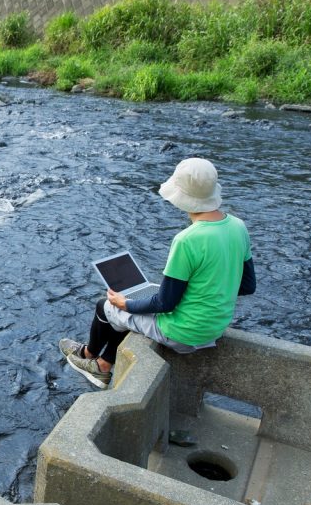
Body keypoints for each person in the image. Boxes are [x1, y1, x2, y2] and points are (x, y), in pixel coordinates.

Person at [60, 157, 255, 388]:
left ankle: (93, 359)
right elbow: (247, 286)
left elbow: (165, 303)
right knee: (132, 311)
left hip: (182, 333)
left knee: (106, 305)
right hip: (215, 327)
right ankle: (100, 359)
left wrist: (126, 304)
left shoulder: (187, 240)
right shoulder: (237, 226)